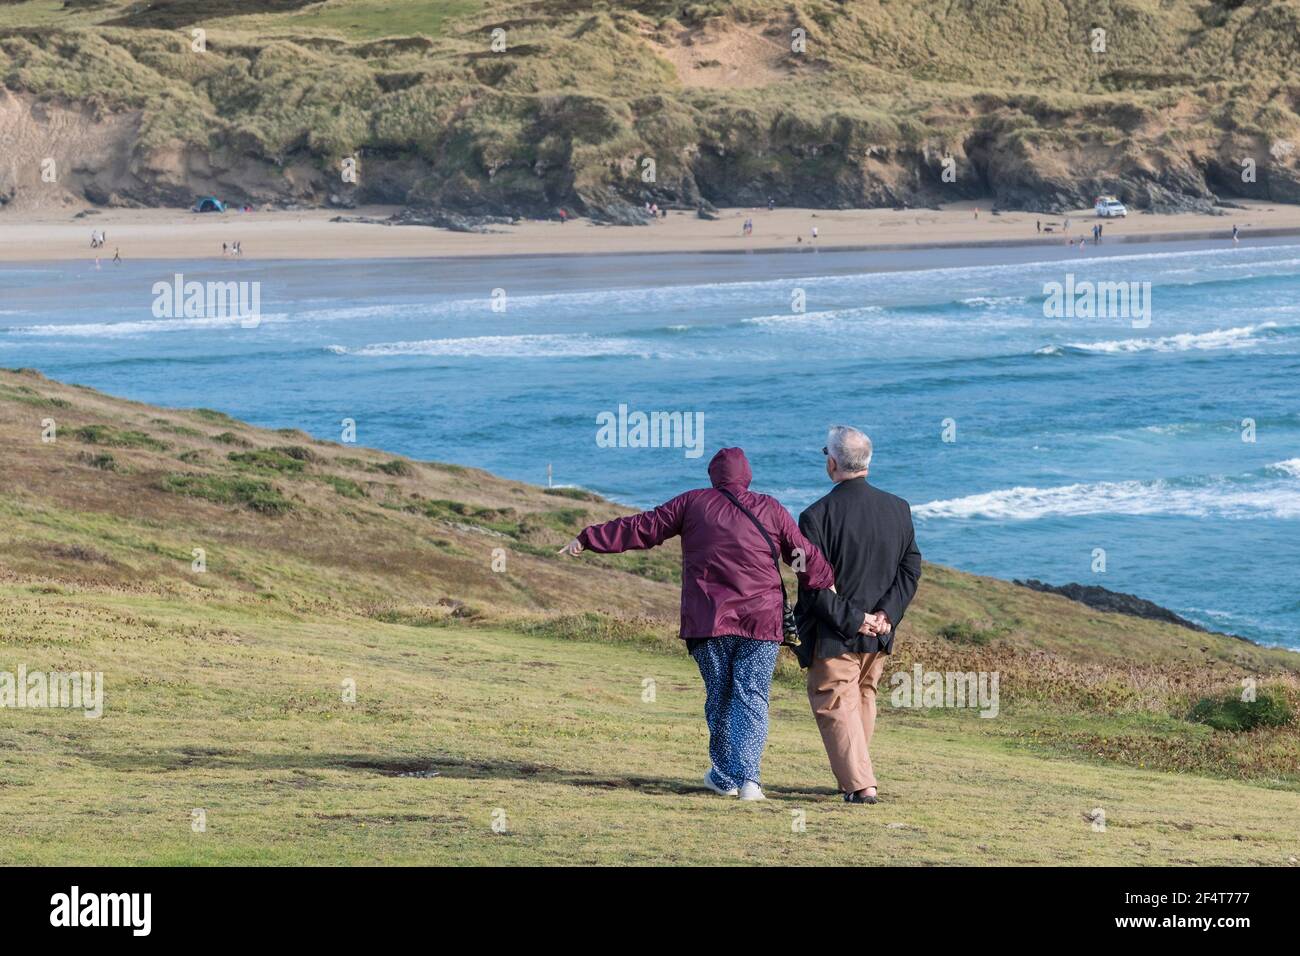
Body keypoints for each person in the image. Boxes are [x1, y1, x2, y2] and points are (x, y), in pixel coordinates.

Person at [559, 447, 835, 801]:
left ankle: (725, 776)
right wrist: (825, 579)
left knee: (719, 698)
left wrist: (588, 538)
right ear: (747, 475)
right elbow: (801, 554)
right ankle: (748, 780)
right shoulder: (770, 508)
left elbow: (643, 528)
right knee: (751, 696)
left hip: (708, 620)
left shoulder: (691, 503)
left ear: (713, 475)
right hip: (760, 620)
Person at [794, 426, 922, 805]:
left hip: (837, 632)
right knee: (863, 696)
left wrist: (857, 618)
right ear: (867, 462)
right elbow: (910, 568)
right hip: (879, 632)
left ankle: (861, 786)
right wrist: (886, 614)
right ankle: (856, 777)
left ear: (832, 462)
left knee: (834, 701)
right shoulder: (898, 508)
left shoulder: (815, 516)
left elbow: (814, 587)